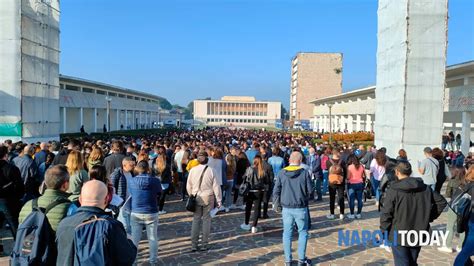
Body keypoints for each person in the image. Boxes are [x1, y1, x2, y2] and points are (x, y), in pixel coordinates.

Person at [380, 161, 446, 266]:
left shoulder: (394, 189)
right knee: (411, 262)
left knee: (404, 263)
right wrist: (428, 217)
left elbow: (386, 213)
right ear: (410, 172)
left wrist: (383, 231)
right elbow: (441, 202)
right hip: (417, 230)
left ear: (397, 172)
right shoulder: (425, 187)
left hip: (399, 232)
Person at [56, 180, 137, 266]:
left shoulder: (63, 224)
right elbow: (127, 258)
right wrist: (130, 240)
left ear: (80, 199)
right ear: (106, 199)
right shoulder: (110, 225)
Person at [273, 151, 312, 266]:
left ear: (289, 160)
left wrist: (277, 204)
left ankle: (288, 260)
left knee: (287, 234)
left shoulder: (281, 173)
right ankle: (301, 259)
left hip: (287, 208)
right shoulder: (304, 173)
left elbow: (276, 191)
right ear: (300, 161)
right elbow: (310, 191)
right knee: (303, 232)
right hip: (301, 207)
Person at [186, 151, 222, 251]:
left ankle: (194, 244)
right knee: (206, 220)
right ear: (207, 159)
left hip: (196, 196)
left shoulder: (193, 170)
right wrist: (219, 200)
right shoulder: (211, 170)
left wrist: (191, 195)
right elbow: (216, 187)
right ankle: (204, 244)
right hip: (208, 196)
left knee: (196, 219)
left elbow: (188, 185)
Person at [18, 165, 71, 232]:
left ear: (45, 182)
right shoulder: (69, 207)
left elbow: (21, 230)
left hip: (31, 242)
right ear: (65, 185)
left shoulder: (27, 205)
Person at [128, 160, 162, 265]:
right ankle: (153, 261)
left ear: (138, 168)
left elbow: (131, 193)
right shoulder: (155, 180)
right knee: (152, 238)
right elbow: (159, 193)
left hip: (136, 211)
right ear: (148, 169)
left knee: (135, 239)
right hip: (151, 211)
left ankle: (134, 262)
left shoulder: (131, 181)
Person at [240, 155, 271, 233]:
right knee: (257, 209)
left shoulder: (249, 169)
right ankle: (254, 225)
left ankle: (247, 223)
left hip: (250, 191)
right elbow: (267, 181)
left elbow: (244, 177)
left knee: (248, 207)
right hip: (259, 191)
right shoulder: (262, 171)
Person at [439, 166, 466, 253]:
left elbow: (448, 194)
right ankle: (461, 246)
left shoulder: (452, 181)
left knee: (450, 226)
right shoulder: (467, 181)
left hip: (453, 206)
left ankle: (448, 246)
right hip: (465, 206)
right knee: (463, 227)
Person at [0, 145, 24, 237]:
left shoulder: (11, 168)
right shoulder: (12, 168)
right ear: (6, 155)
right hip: (10, 201)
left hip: (8, 200)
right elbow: (20, 187)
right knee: (15, 227)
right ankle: (17, 248)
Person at [454, 165, 474, 266]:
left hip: (468, 220)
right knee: (466, 250)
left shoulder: (467, 185)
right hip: (472, 221)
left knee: (466, 248)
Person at [110, 156, 135, 233]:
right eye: (131, 165)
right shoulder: (117, 174)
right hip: (121, 204)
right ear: (124, 165)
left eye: (134, 165)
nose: (133, 167)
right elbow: (112, 188)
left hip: (130, 202)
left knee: (130, 224)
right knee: (125, 226)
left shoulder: (131, 173)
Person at [327, 152, 345, 220]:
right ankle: (341, 214)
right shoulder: (342, 162)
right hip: (340, 182)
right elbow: (345, 172)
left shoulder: (328, 161)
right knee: (341, 198)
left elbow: (327, 170)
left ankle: (332, 214)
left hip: (331, 182)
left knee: (332, 198)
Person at [346, 154, 365, 219]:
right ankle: (359, 213)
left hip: (352, 184)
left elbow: (348, 177)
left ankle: (352, 214)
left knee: (352, 199)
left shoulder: (350, 167)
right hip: (360, 184)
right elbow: (363, 175)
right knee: (360, 199)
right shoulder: (361, 166)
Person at [155, 149, 172, 214]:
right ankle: (160, 210)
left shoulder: (155, 166)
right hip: (165, 183)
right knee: (162, 197)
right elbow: (168, 175)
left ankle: (157, 209)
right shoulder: (166, 166)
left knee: (157, 197)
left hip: (157, 182)